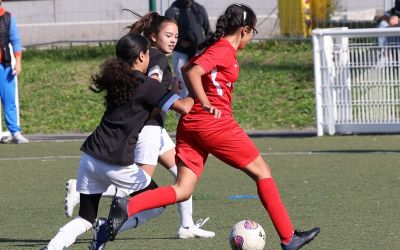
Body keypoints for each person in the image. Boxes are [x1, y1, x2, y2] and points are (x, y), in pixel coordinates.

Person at [106, 4, 320, 250]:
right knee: (263, 171)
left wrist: (200, 101)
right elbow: (194, 71)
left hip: (192, 125)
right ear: (244, 30)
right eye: (252, 33)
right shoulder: (223, 50)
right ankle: (288, 237)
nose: (251, 38)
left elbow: (186, 69)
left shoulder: (215, 48)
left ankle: (128, 206)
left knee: (183, 189)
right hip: (214, 124)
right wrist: (206, 102)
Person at [41, 32, 194, 250]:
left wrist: (166, 97)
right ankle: (107, 227)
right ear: (141, 57)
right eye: (147, 54)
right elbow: (185, 108)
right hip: (116, 162)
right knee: (157, 204)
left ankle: (52, 247)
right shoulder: (147, 84)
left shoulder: (117, 80)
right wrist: (195, 92)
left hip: (90, 157)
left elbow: (140, 113)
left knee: (85, 218)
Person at [165, 0, 210, 98]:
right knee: (182, 81)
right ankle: (182, 110)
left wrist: (207, 46)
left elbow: (208, 31)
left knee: (201, 81)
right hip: (181, 53)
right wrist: (180, 41)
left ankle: (199, 106)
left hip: (198, 52)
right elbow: (167, 34)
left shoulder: (199, 9)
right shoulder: (172, 10)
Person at [0, 0, 28, 144]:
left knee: (9, 100)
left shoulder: (7, 18)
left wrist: (18, 62)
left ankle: (14, 132)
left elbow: (15, 41)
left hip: (4, 67)